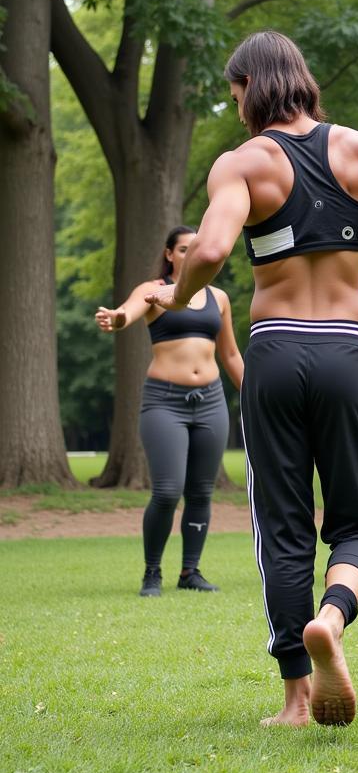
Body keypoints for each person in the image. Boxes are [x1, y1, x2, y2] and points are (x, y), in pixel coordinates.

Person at [146, 30, 358, 727]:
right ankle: (333, 616)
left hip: (273, 352)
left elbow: (213, 248)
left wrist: (183, 293)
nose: (235, 103)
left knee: (282, 528)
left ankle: (294, 698)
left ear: (252, 86)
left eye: (234, 91)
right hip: (345, 348)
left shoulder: (242, 163)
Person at [95, 226, 244, 597]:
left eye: (197, 248)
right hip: (165, 401)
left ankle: (190, 571)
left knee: (201, 492)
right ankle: (152, 573)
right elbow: (128, 312)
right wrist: (117, 319)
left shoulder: (219, 298)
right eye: (183, 248)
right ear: (169, 254)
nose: (190, 253)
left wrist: (256, 394)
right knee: (166, 490)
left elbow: (230, 354)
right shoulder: (153, 291)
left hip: (210, 401)